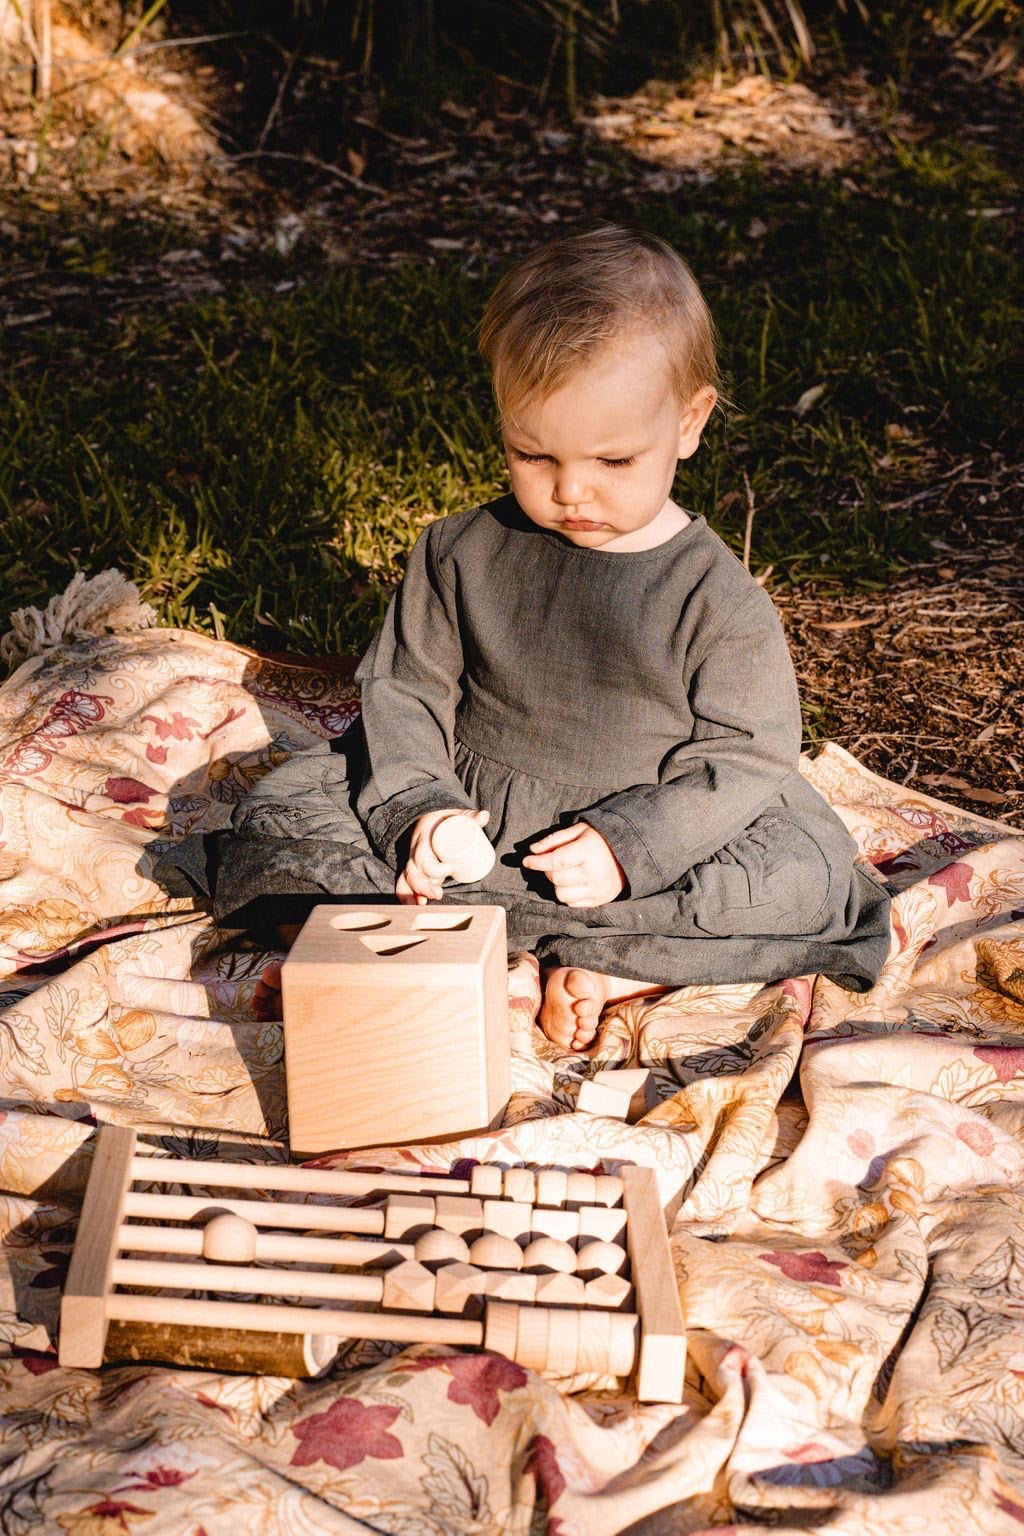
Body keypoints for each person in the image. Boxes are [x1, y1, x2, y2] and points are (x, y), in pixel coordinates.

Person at [177, 225, 890, 1052]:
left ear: (689, 423)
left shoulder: (714, 597)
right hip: (481, 820)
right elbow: (406, 692)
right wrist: (423, 813)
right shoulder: (459, 553)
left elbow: (747, 753)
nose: (571, 490)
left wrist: (633, 847)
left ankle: (613, 960)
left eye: (614, 461)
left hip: (645, 836)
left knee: (806, 878)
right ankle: (388, 949)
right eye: (532, 453)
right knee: (281, 816)